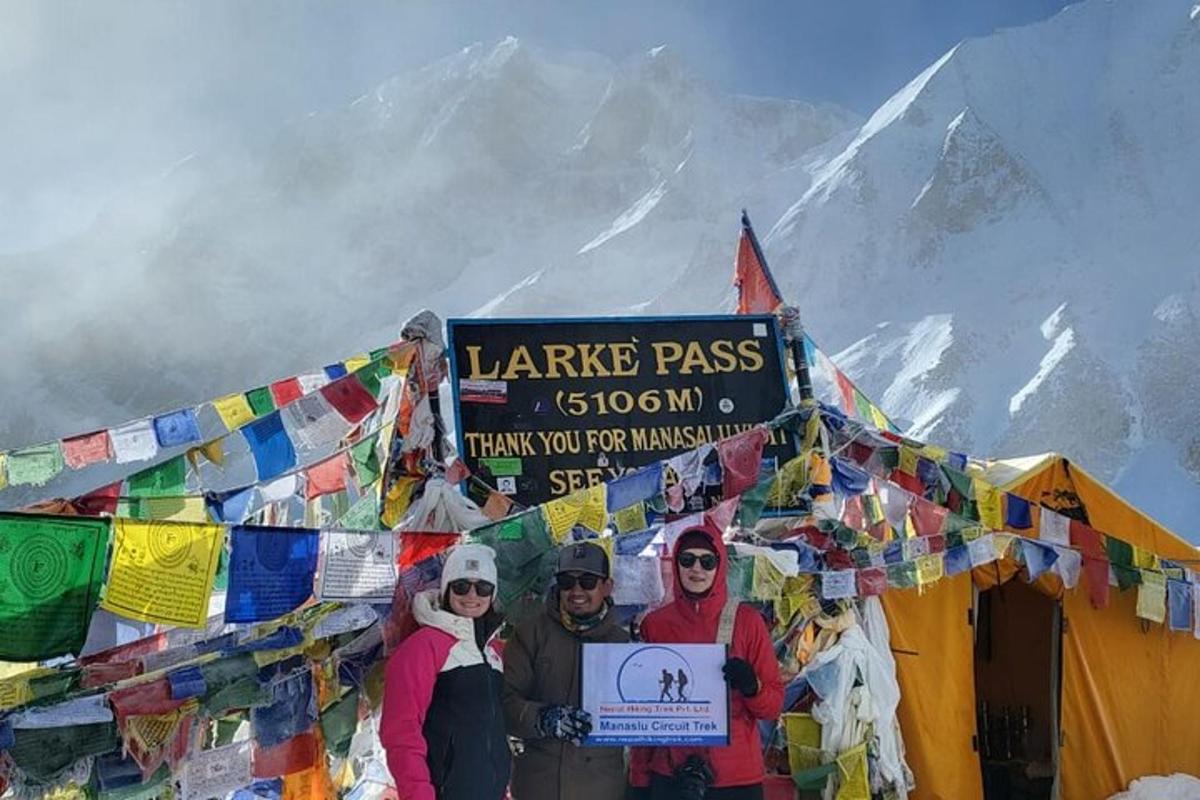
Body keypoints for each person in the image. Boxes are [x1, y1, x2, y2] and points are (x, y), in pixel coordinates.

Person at [629, 523, 783, 800]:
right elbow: (644, 710)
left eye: (707, 561)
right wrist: (638, 779)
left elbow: (772, 706)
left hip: (735, 778)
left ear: (720, 566)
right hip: (671, 773)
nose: (696, 569)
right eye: (687, 560)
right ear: (676, 565)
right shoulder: (655, 625)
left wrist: (753, 687)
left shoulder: (748, 622)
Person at [380, 543, 510, 800]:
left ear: (493, 594)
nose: (472, 595)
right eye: (461, 586)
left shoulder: (493, 650)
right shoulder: (423, 646)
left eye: (482, 587)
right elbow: (400, 733)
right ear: (447, 589)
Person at [503, 541, 631, 800]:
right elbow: (505, 702)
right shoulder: (530, 634)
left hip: (602, 788)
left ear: (607, 586)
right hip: (539, 786)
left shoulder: (623, 645)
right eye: (566, 581)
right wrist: (543, 718)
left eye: (587, 581)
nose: (576, 590)